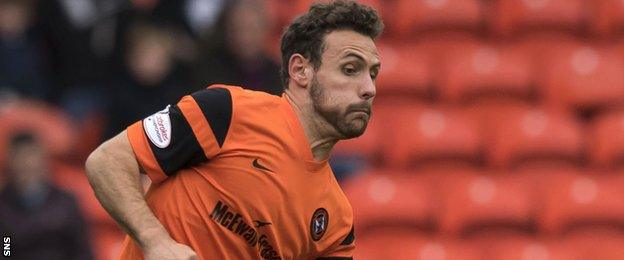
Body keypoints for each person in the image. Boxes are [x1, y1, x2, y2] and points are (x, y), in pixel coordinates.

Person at [85, 1, 382, 259]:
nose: (369, 89)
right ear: (300, 70)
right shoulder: (227, 111)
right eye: (350, 69)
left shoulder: (337, 224)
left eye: (373, 74)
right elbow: (107, 161)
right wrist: (155, 242)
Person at [0, 132, 94, 260]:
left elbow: (81, 250)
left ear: (43, 160)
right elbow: (6, 250)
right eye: (20, 159)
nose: (27, 165)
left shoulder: (65, 204)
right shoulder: (4, 209)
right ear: (10, 163)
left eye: (31, 157)